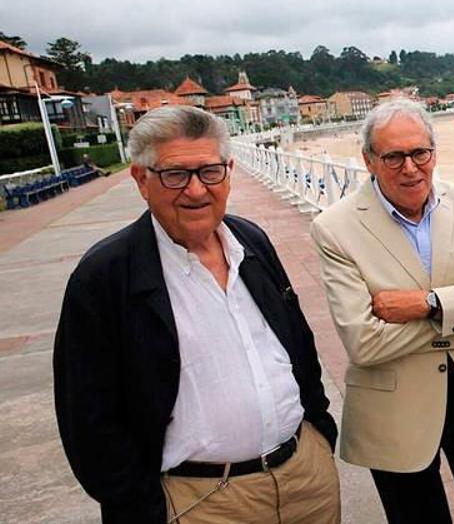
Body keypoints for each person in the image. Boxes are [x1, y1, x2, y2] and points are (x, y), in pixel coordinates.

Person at [53, 105, 340, 523]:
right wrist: (141, 502)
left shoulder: (251, 242)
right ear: (141, 179)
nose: (195, 190)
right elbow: (88, 417)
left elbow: (297, 342)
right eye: (175, 174)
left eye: (209, 171)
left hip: (304, 479)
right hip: (198, 501)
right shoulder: (106, 276)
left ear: (228, 170)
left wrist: (319, 432)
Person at [310, 99, 454, 523]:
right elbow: (365, 342)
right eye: (393, 156)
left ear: (434, 153)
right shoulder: (335, 228)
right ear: (369, 160)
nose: (410, 168)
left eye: (419, 153)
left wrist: (427, 303)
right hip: (395, 405)